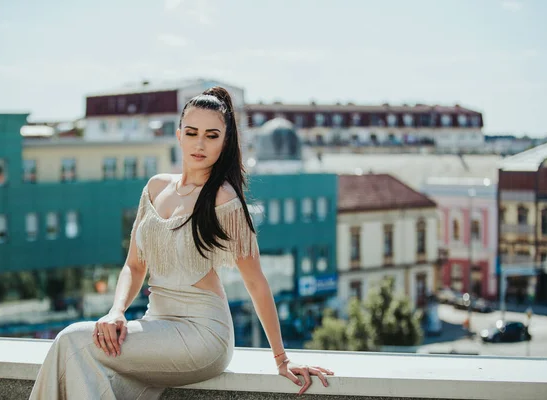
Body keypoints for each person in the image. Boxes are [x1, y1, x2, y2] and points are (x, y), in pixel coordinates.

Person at [29, 86, 333, 399]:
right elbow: (134, 266)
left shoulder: (225, 200)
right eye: (191, 132)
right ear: (178, 135)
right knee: (84, 353)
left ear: (225, 142)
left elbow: (255, 282)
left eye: (212, 135)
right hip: (155, 325)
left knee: (72, 340)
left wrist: (282, 359)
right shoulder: (155, 187)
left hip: (203, 335)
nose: (200, 143)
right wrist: (116, 311)